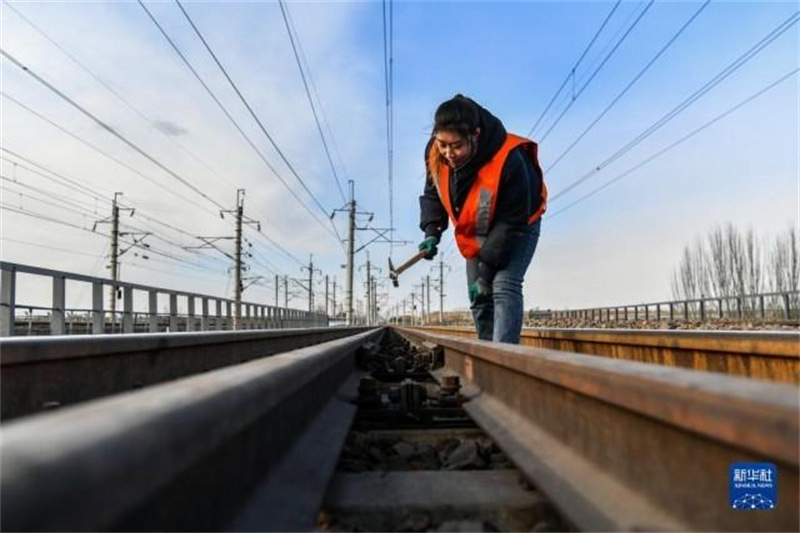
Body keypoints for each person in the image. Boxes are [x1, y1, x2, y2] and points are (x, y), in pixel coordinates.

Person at [418, 94, 547, 344]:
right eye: (442, 144)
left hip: (518, 224)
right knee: (478, 300)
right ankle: (487, 355)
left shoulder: (508, 160)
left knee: (502, 285)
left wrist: (484, 274)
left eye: (456, 145)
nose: (448, 153)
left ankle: (504, 357)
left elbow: (510, 225)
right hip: (477, 227)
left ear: (475, 135)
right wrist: (432, 232)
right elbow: (433, 192)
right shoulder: (436, 152)